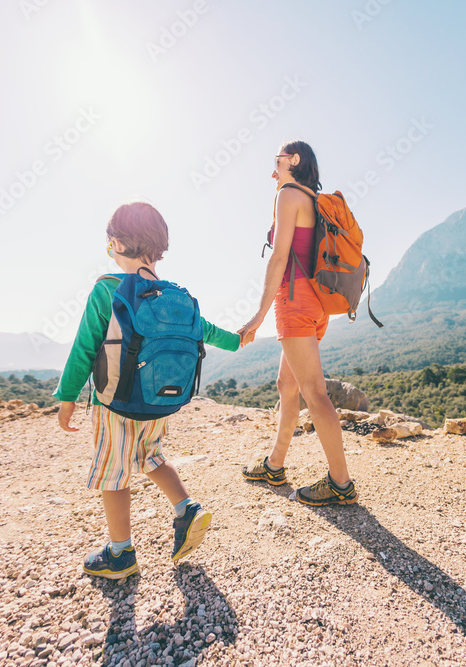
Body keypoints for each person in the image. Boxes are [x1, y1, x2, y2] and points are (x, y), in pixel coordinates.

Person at [55, 201, 241, 578]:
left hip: (116, 404)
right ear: (159, 248)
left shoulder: (109, 290)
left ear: (118, 244)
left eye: (110, 244)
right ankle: (187, 508)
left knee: (114, 473)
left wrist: (67, 397)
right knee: (151, 456)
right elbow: (207, 331)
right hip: (159, 403)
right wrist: (237, 341)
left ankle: (120, 554)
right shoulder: (174, 297)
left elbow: (84, 347)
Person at [238, 141, 358, 506]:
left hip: (295, 302)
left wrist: (258, 316)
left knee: (314, 392)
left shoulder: (289, 194)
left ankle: (340, 483)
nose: (273, 172)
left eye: (277, 163)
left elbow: (278, 258)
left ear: (294, 161)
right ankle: (275, 464)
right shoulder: (312, 198)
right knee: (286, 385)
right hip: (316, 303)